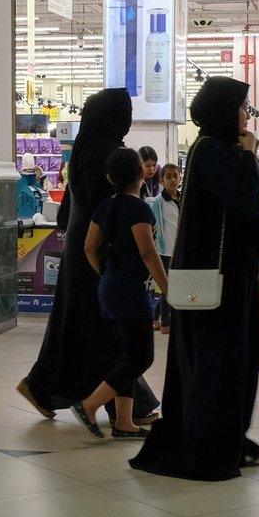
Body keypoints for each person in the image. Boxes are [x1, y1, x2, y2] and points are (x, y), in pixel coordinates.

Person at [130, 76, 259, 481]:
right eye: (243, 107)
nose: (247, 115)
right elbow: (243, 201)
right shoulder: (210, 150)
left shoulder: (224, 149)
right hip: (217, 281)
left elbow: (250, 193)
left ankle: (229, 436)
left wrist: (247, 156)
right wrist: (246, 156)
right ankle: (211, 442)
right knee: (220, 361)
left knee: (247, 353)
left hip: (234, 276)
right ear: (224, 110)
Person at [19, 88, 160, 426]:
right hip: (99, 253)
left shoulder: (84, 148)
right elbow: (116, 209)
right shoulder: (110, 153)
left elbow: (72, 208)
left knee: (77, 328)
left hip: (81, 249)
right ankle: (122, 406)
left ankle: (41, 387)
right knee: (109, 331)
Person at [72, 148, 169, 440]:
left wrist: (105, 274)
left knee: (125, 356)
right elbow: (147, 251)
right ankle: (89, 405)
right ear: (141, 174)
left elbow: (89, 247)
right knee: (141, 357)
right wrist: (168, 289)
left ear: (110, 177)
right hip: (129, 290)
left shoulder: (105, 206)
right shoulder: (139, 209)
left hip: (109, 286)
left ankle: (124, 422)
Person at [148, 163, 180, 334]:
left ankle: (154, 316)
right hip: (164, 251)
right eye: (168, 176)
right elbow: (152, 229)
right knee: (169, 287)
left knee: (172, 286)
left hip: (178, 251)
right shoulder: (158, 203)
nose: (172, 179)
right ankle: (166, 323)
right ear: (161, 180)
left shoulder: (182, 199)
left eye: (175, 175)